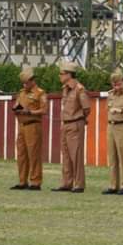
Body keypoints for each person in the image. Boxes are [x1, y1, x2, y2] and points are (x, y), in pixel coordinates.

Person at [52, 61, 90, 193]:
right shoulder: (65, 89)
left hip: (75, 123)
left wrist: (79, 118)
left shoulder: (79, 89)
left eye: (61, 73)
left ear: (69, 74)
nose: (60, 76)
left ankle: (79, 184)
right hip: (65, 123)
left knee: (76, 155)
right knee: (66, 155)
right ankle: (66, 183)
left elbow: (86, 108)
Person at [10, 65, 47, 191]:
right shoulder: (21, 93)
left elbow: (44, 110)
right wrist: (16, 108)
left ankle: (35, 182)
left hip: (33, 125)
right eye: (23, 83)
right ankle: (22, 181)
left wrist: (30, 112)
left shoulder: (40, 93)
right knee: (21, 155)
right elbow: (17, 104)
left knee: (34, 155)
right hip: (21, 126)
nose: (24, 85)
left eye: (26, 83)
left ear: (32, 80)